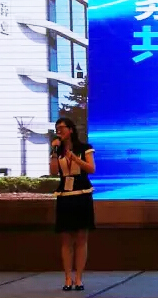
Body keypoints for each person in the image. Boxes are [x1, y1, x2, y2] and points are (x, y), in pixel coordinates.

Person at [49, 117, 96, 291]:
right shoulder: (57, 150)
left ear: (71, 129)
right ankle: (68, 278)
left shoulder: (85, 148)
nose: (59, 131)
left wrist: (75, 159)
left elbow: (91, 169)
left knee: (81, 238)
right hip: (65, 196)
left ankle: (79, 278)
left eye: (62, 127)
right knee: (66, 239)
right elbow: (53, 171)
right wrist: (54, 152)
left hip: (82, 194)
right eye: (57, 128)